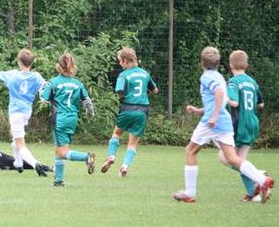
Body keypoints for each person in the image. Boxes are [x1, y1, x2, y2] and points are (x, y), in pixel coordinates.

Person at [172, 46, 274, 203]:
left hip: (212, 122)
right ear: (219, 63)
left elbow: (219, 93)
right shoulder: (219, 76)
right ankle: (261, 179)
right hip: (224, 121)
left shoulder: (206, 77)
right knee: (232, 158)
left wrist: (212, 116)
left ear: (202, 63)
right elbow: (219, 99)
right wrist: (199, 110)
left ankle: (190, 193)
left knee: (190, 151)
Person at [0, 49, 52, 176]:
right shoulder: (36, 76)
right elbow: (46, 89)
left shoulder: (12, 75)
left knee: (21, 144)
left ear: (19, 62)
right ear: (31, 63)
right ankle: (18, 164)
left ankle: (35, 164)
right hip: (26, 112)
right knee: (15, 136)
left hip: (16, 112)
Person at [100, 47, 158, 177]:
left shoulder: (124, 75)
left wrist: (124, 97)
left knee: (116, 134)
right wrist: (143, 94)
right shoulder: (145, 74)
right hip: (142, 110)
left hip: (127, 108)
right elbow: (155, 90)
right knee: (132, 143)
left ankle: (111, 156)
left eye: (120, 61)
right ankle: (124, 166)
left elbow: (120, 92)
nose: (120, 64)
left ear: (126, 61)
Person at [40, 53, 96, 187]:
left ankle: (86, 157)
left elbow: (44, 100)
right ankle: (59, 181)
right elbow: (87, 102)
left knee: (62, 151)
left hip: (60, 118)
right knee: (60, 148)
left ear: (58, 66)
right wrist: (90, 113)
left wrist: (41, 91)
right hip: (72, 118)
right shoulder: (78, 83)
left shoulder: (53, 82)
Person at [218, 50, 265, 202]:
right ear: (246, 65)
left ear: (230, 65)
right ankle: (253, 193)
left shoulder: (233, 83)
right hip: (252, 123)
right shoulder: (252, 82)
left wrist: (223, 96)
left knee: (225, 158)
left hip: (240, 124)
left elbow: (234, 102)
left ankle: (256, 175)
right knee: (241, 158)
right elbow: (261, 104)